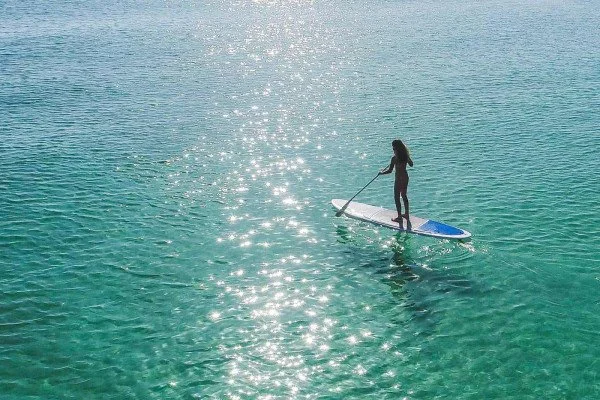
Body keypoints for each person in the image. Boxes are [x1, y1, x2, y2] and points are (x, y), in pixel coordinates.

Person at [379, 139, 413, 223]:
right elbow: (411, 164)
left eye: (393, 148)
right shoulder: (405, 156)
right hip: (405, 177)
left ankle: (399, 217)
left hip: (398, 179)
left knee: (397, 198)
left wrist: (381, 173)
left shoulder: (394, 158)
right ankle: (406, 214)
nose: (393, 150)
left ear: (396, 148)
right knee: (404, 196)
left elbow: (390, 171)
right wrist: (407, 157)